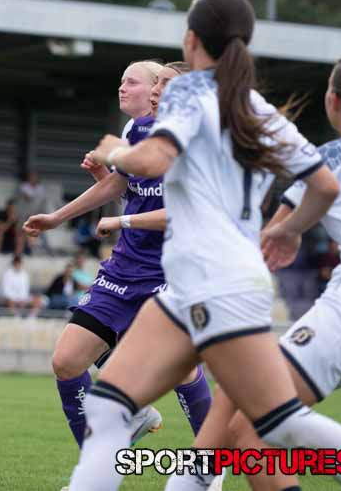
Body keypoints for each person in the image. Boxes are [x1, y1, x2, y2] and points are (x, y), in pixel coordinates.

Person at [67, 0, 341, 491]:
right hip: (228, 285)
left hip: (208, 282)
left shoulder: (193, 92)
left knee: (273, 424)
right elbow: (324, 184)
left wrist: (116, 151)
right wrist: (290, 229)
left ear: (191, 39)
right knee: (116, 406)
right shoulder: (258, 108)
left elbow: (153, 161)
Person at [193, 55, 341, 491]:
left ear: (332, 102)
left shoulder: (335, 155)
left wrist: (285, 231)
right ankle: (192, 482)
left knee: (251, 429)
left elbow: (274, 234)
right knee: (240, 404)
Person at [25, 60, 213, 450]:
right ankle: (97, 467)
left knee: (181, 370)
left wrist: (123, 222)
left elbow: (183, 211)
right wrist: (57, 217)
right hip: (124, 268)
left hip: (171, 271)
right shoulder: (137, 130)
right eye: (155, 81)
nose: (125, 88)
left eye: (138, 81)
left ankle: (213, 462)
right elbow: (125, 187)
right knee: (66, 361)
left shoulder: (196, 143)